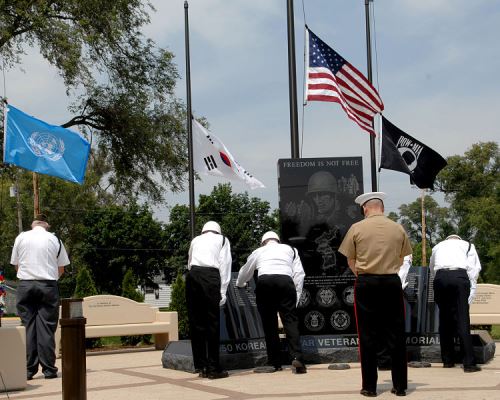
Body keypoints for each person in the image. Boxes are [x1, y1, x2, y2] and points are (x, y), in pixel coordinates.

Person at [339, 192, 412, 397]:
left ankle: (370, 387)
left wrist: (363, 274)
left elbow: (350, 260)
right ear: (382, 207)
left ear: (365, 208)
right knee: (396, 334)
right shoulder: (398, 228)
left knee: (367, 334)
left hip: (366, 283)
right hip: (391, 282)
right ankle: (400, 386)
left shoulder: (356, 228)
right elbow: (403, 257)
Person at [236, 231, 307, 374]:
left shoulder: (259, 251)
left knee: (269, 323)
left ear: (263, 242)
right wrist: (296, 296)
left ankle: (275, 362)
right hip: (286, 282)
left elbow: (246, 270)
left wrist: (240, 283)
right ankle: (297, 357)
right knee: (290, 321)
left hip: (265, 282)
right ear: (278, 241)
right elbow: (299, 274)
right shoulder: (291, 250)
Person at [11, 213, 70, 380]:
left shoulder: (21, 237)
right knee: (46, 328)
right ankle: (49, 370)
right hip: (48, 284)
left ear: (33, 224)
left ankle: (28, 370)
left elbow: (16, 265)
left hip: (26, 284)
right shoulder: (55, 240)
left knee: (28, 326)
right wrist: (50, 282)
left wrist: (28, 279)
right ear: (47, 225)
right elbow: (61, 269)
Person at [429, 234, 482, 373]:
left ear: (447, 239)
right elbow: (473, 269)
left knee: (444, 318)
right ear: (458, 239)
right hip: (459, 277)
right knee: (462, 318)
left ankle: (447, 360)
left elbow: (432, 267)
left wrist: (439, 280)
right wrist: (472, 290)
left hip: (440, 278)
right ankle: (469, 363)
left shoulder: (437, 246)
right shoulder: (468, 245)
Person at [186, 221, 232, 379]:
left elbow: (189, 261)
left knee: (196, 322)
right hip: (210, 276)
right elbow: (225, 265)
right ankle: (213, 368)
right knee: (212, 323)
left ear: (204, 230)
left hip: (193, 275)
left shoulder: (195, 240)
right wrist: (223, 291)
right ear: (218, 231)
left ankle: (201, 366)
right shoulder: (223, 240)